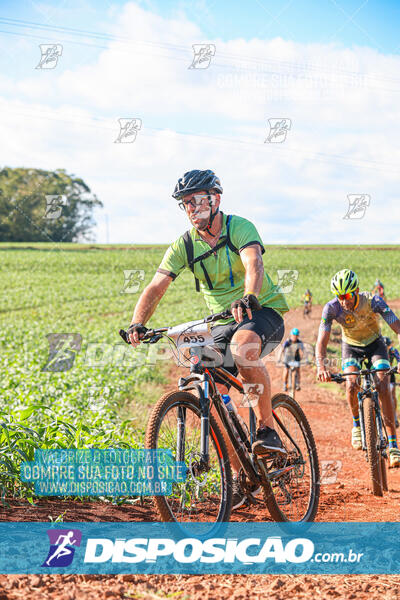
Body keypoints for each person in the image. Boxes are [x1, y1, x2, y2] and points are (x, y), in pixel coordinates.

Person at [126, 169, 290, 508]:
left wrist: (249, 296)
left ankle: (266, 429)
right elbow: (156, 285)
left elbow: (253, 262)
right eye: (185, 203)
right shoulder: (184, 245)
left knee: (243, 348)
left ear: (215, 199)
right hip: (219, 321)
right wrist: (138, 323)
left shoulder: (239, 227)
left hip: (260, 310)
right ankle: (245, 475)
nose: (191, 208)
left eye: (196, 200)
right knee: (207, 392)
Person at [316, 269, 400, 468]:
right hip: (350, 346)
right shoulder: (331, 308)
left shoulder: (373, 301)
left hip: (375, 344)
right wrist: (321, 366)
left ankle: (393, 445)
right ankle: (356, 424)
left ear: (357, 291)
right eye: (340, 296)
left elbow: (397, 326)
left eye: (347, 295)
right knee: (351, 384)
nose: (344, 300)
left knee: (383, 383)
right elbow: (322, 341)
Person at [383, 336, 400, 428]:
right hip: (379, 374)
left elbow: (398, 358)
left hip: (390, 373)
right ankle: (383, 417)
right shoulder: (378, 349)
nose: (386, 348)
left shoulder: (392, 350)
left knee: (392, 396)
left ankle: (394, 417)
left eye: (387, 346)